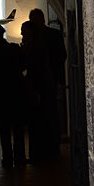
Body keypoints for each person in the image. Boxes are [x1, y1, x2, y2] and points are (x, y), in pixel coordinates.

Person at [21, 9, 66, 160]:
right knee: (46, 117)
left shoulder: (41, 42)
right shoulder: (45, 38)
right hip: (46, 82)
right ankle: (48, 150)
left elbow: (59, 57)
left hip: (45, 83)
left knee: (48, 117)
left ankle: (48, 149)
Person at [0, 23, 27, 168]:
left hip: (1, 94)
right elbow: (23, 66)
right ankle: (20, 158)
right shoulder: (14, 49)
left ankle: (8, 159)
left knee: (4, 129)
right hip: (16, 92)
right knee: (18, 128)